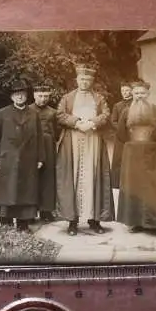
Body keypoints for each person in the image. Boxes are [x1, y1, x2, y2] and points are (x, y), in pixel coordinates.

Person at [55, 63, 115, 236]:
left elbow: (106, 114)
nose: (85, 82)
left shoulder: (99, 98)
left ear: (92, 81)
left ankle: (94, 220)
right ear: (77, 80)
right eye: (82, 79)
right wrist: (76, 122)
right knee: (73, 178)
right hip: (72, 142)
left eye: (88, 80)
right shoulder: (67, 98)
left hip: (93, 142)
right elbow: (60, 115)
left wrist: (93, 123)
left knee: (93, 177)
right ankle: (72, 222)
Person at [116, 80, 156, 234]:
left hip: (153, 155)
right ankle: (136, 222)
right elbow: (121, 134)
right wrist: (134, 144)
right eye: (136, 93)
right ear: (132, 94)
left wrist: (154, 144)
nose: (139, 96)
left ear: (148, 94)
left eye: (142, 93)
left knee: (154, 187)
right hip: (132, 156)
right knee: (134, 187)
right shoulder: (126, 112)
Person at [0, 82, 45, 233]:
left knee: (25, 191)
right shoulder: (2, 113)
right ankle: (5, 223)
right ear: (11, 96)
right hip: (7, 159)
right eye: (16, 94)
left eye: (22, 93)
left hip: (28, 159)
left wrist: (40, 158)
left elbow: (39, 137)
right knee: (6, 190)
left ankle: (23, 225)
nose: (19, 96)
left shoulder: (34, 114)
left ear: (27, 96)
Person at [29, 85, 58, 223]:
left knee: (48, 178)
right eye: (40, 96)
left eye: (46, 96)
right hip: (31, 146)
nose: (43, 99)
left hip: (48, 147)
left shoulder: (53, 112)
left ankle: (46, 211)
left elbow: (57, 133)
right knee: (32, 178)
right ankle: (29, 212)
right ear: (34, 96)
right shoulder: (28, 110)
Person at [110, 82, 133, 189]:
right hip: (120, 137)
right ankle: (117, 183)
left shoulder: (135, 104)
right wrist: (121, 130)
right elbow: (113, 121)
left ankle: (132, 182)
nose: (125, 93)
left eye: (127, 90)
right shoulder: (117, 106)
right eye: (123, 91)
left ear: (131, 91)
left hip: (133, 136)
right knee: (119, 159)